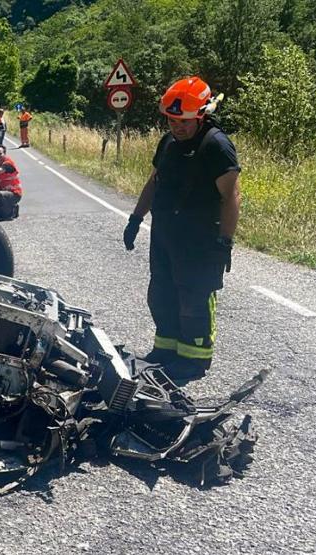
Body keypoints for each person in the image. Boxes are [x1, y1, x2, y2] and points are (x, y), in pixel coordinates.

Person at [123, 76, 241, 383]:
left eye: (185, 121)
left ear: (201, 114)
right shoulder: (169, 142)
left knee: (194, 300)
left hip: (200, 240)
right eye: (172, 120)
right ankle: (166, 350)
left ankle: (194, 359)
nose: (178, 126)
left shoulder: (216, 145)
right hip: (165, 233)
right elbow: (154, 181)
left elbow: (231, 197)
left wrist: (224, 242)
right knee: (161, 294)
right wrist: (136, 219)